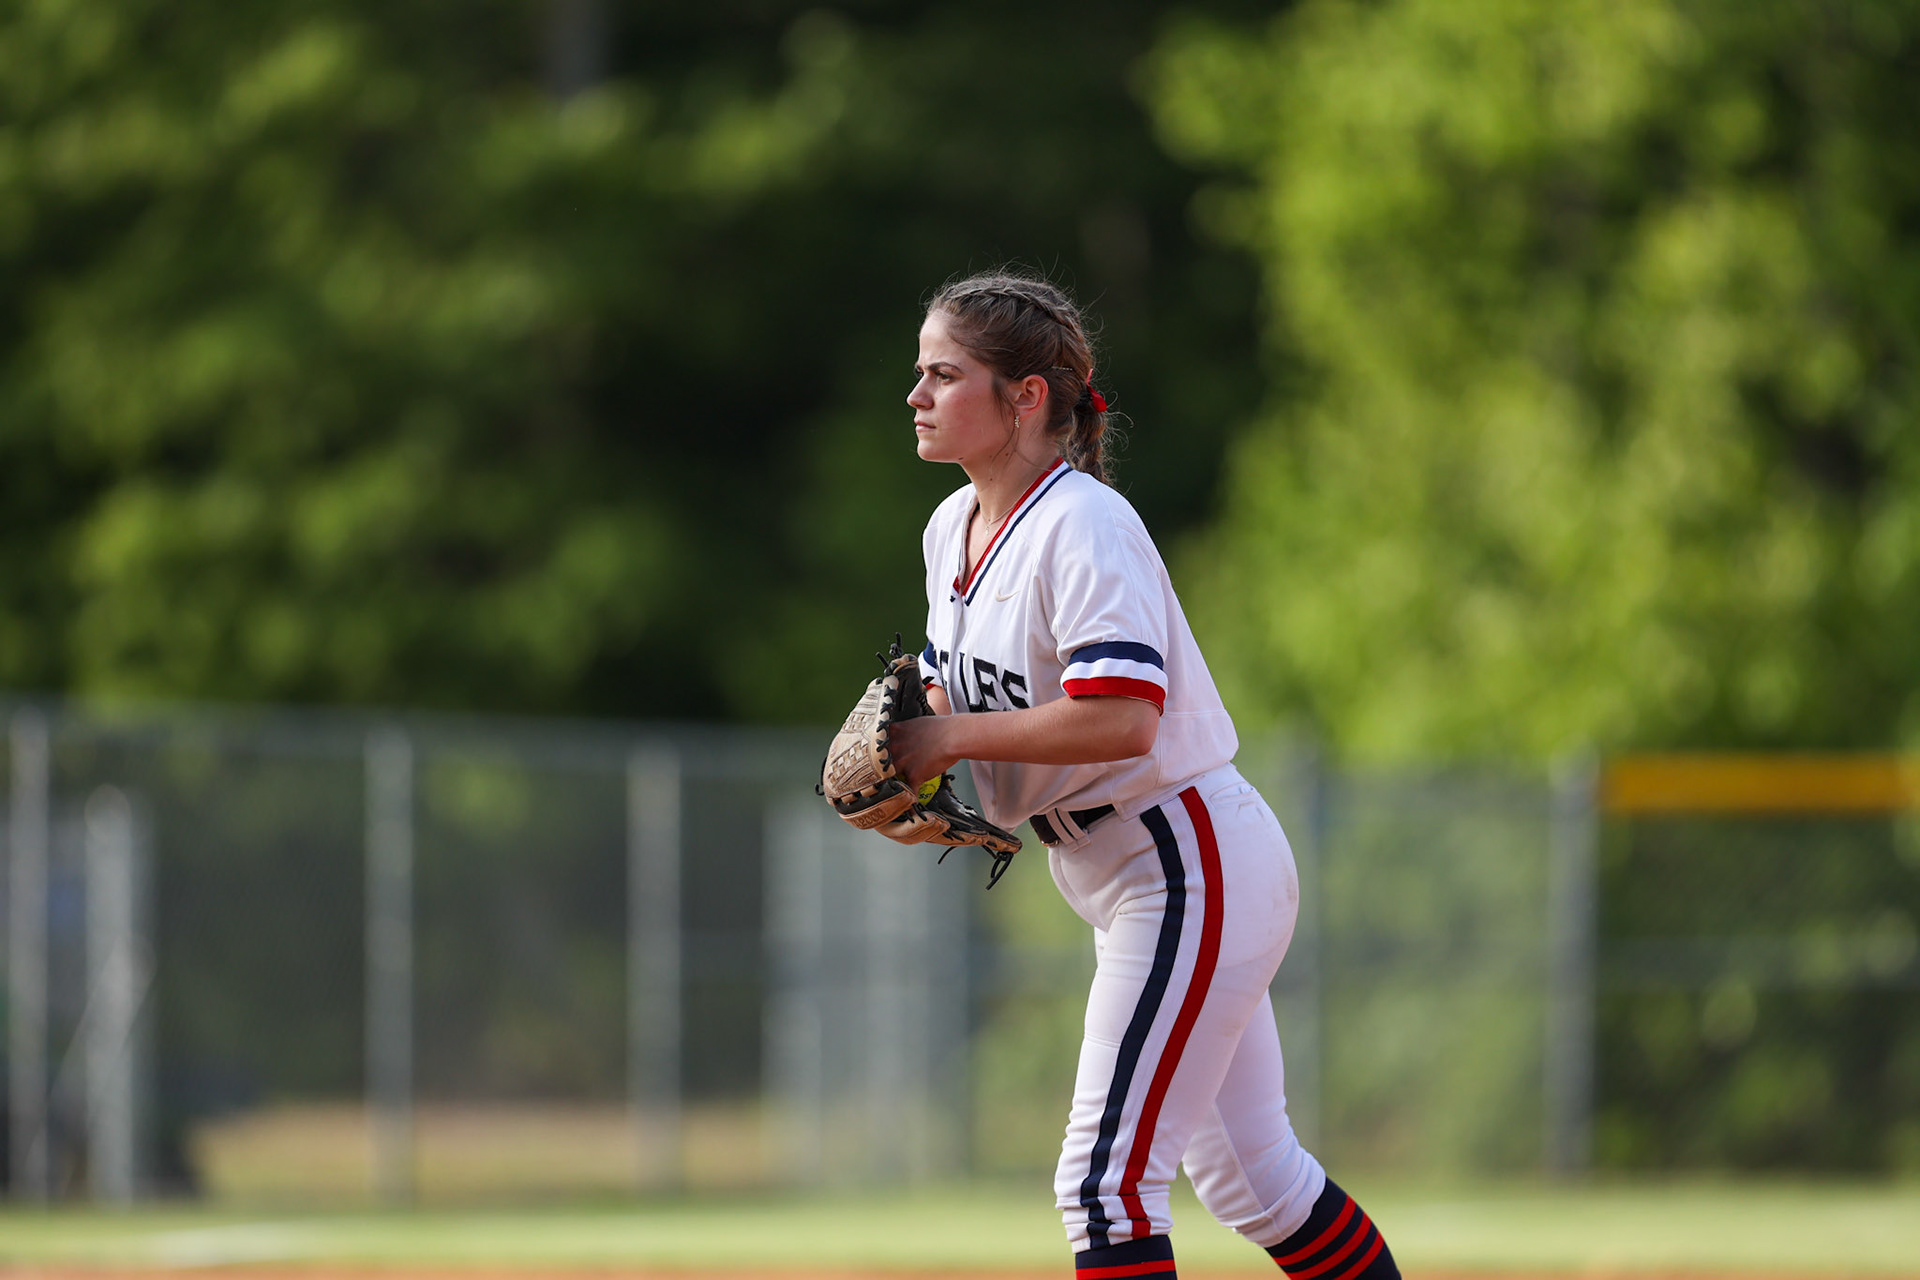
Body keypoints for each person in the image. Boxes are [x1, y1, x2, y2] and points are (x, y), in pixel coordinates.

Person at [885, 271, 1400, 1280]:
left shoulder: (1083, 524)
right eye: (920, 374)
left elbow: (1124, 715)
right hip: (1132, 868)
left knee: (1103, 1180)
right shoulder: (953, 528)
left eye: (945, 374)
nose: (917, 394)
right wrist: (920, 759)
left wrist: (947, 744)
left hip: (1184, 856)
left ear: (1026, 396)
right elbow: (960, 700)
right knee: (1259, 1182)